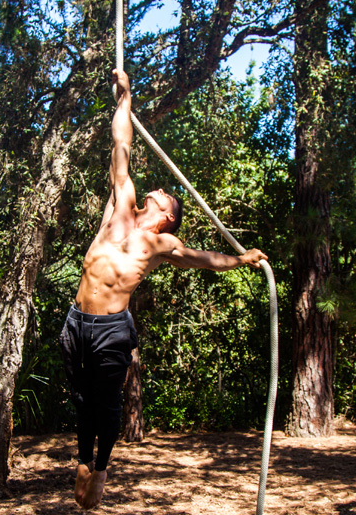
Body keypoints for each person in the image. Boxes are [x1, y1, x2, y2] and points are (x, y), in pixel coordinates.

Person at [60, 69, 268, 510]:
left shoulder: (160, 244)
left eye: (162, 195)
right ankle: (81, 459)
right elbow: (121, 145)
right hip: (77, 322)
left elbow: (205, 260)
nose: (154, 191)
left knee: (108, 404)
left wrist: (241, 259)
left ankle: (100, 467)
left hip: (112, 329)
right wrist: (125, 98)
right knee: (81, 399)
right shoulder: (120, 207)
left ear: (168, 216)